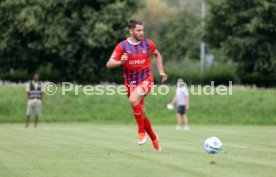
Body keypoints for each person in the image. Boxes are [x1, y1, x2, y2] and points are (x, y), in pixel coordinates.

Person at [106, 19, 167, 152]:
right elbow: (109, 64)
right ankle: (154, 137)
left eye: (142, 30)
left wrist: (161, 71)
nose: (141, 32)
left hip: (146, 79)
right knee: (143, 114)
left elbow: (157, 54)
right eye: (138, 30)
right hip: (130, 84)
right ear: (131, 31)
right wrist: (120, 62)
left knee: (133, 100)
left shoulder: (148, 44)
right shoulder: (122, 46)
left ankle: (141, 132)